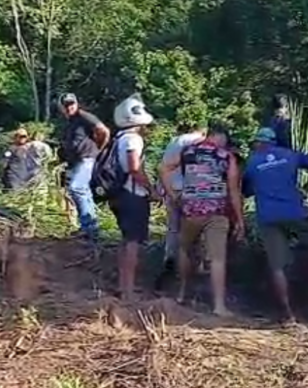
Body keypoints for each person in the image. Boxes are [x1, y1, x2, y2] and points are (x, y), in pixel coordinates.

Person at [160, 122, 245, 316]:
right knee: (217, 258)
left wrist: (173, 195)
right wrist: (240, 220)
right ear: (221, 137)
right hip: (217, 210)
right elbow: (233, 190)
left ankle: (182, 293)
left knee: (184, 249)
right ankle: (219, 306)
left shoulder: (188, 152)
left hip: (191, 209)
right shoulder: (226, 156)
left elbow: (163, 168)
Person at [242, 127, 308, 322]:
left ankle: (287, 313)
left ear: (259, 142)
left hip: (268, 216)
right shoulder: (290, 155)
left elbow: (246, 190)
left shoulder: (252, 162)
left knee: (277, 265)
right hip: (295, 212)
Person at [109, 94, 156, 301]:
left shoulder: (118, 138)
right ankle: (128, 290)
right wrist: (152, 190)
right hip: (133, 194)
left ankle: (123, 286)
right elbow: (134, 168)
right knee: (133, 243)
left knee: (126, 240)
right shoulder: (133, 140)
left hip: (118, 193)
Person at [154, 122, 206, 290]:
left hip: (172, 189)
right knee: (194, 231)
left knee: (173, 229)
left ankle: (169, 259)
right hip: (191, 190)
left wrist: (163, 190)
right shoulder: (200, 141)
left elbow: (164, 166)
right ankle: (194, 267)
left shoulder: (174, 141)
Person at [58, 92, 110, 242]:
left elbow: (103, 130)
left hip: (86, 158)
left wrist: (98, 149)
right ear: (61, 107)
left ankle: (89, 225)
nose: (69, 107)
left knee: (77, 188)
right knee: (84, 191)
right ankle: (90, 227)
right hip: (75, 161)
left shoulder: (83, 116)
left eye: (71, 104)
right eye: (66, 105)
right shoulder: (70, 122)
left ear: (76, 104)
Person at [1, 127, 52, 196]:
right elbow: (4, 164)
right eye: (20, 136)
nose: (22, 138)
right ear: (15, 137)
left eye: (24, 136)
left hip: (27, 179)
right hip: (14, 180)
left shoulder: (31, 147)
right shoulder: (12, 149)